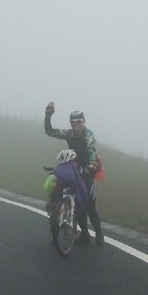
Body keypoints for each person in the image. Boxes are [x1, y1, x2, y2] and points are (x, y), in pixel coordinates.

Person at [44, 102, 104, 244]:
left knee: (89, 206)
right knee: (76, 205)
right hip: (74, 170)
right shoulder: (69, 134)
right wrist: (48, 115)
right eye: (73, 122)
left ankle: (100, 235)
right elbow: (50, 132)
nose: (75, 125)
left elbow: (91, 152)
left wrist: (89, 167)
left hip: (89, 170)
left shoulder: (88, 135)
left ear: (83, 122)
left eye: (78, 122)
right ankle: (84, 234)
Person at [44, 149, 89, 243]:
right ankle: (53, 223)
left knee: (79, 204)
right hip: (62, 187)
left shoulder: (78, 169)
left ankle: (83, 232)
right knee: (55, 199)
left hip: (72, 188)